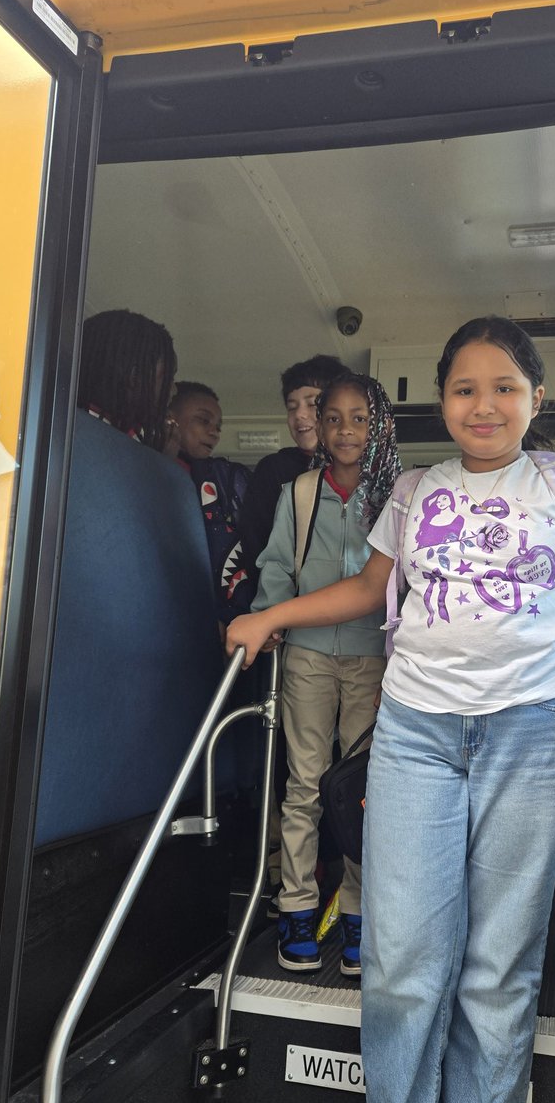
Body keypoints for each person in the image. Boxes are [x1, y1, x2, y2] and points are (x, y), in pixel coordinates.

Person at [226, 316, 555, 1103]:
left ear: (535, 397)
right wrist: (271, 615)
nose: (483, 405)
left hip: (533, 732)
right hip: (416, 734)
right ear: (441, 401)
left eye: (504, 388)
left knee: (499, 964)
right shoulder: (414, 491)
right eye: (464, 389)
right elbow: (368, 589)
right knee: (403, 962)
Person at [251, 371, 401, 978]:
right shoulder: (300, 492)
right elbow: (276, 565)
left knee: (365, 790)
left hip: (372, 658)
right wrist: (268, 618)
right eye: (332, 418)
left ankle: (360, 913)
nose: (345, 430)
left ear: (378, 426)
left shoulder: (396, 494)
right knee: (306, 786)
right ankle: (297, 908)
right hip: (308, 655)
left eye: (359, 419)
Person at [240, 354, 350, 568]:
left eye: (312, 404)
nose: (299, 414)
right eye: (292, 407)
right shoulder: (274, 470)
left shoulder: (366, 472)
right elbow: (256, 546)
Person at [165, 380, 254, 623]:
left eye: (218, 426)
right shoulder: (141, 466)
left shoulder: (222, 480)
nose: (214, 432)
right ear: (170, 418)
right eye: (203, 420)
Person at [77, 309, 177, 451]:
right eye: (167, 378)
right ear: (135, 378)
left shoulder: (72, 425)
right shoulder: (102, 442)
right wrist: (159, 461)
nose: (174, 389)